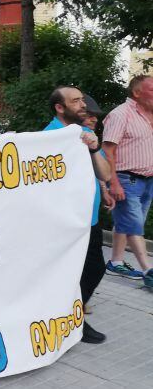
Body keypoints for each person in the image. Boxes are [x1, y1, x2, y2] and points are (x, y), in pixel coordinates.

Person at [44, 86, 113, 342]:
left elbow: (104, 174)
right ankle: (69, 320)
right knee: (70, 271)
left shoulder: (85, 133)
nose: (83, 105)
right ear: (60, 108)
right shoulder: (49, 137)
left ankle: (72, 316)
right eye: (76, 101)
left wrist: (94, 149)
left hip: (89, 218)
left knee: (93, 268)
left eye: (83, 99)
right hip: (64, 221)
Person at [101, 75, 153, 287]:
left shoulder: (150, 115)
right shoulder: (120, 114)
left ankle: (115, 261)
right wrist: (113, 182)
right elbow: (108, 150)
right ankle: (148, 270)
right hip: (126, 178)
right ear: (137, 93)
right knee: (134, 225)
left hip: (148, 180)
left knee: (125, 221)